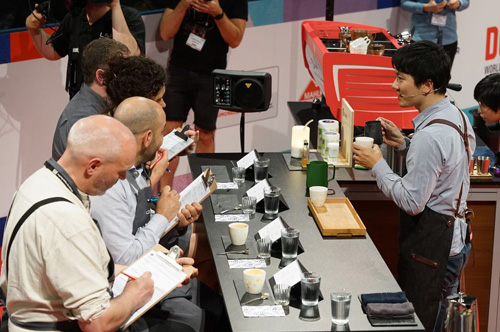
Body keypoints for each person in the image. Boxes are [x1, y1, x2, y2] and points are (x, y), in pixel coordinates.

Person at [0, 115, 196, 331]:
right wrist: (134, 295)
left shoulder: (37, 182)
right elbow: (97, 324)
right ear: (93, 166)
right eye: (120, 171)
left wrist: (155, 268)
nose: (123, 178)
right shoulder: (70, 222)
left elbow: (74, 267)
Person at [352, 40, 475, 332]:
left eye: (401, 78)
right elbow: (448, 169)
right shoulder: (457, 115)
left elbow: (412, 201)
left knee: (422, 323)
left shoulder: (430, 137)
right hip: (454, 240)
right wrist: (405, 145)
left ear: (426, 85)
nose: (394, 86)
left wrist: (377, 164)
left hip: (434, 248)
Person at [91, 97, 223, 332]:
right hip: (127, 290)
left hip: (149, 261)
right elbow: (127, 258)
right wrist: (163, 216)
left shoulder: (135, 166)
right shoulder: (111, 183)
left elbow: (136, 223)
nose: (166, 140)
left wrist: (172, 218)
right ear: (148, 138)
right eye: (163, 132)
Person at [158, 0, 248, 186]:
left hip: (212, 74)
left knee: (205, 134)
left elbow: (236, 39)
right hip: (178, 71)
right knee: (171, 134)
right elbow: (165, 32)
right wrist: (183, 5)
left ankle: (204, 193)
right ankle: (163, 194)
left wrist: (218, 13)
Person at [25, 0, 145, 98]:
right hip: (81, 101)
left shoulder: (128, 16)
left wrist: (115, 5)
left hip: (115, 103)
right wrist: (34, 30)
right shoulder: (74, 18)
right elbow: (53, 52)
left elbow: (131, 56)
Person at [52, 38, 129, 160]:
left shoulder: (101, 107)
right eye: (122, 72)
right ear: (101, 76)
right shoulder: (83, 121)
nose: (128, 78)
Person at [401, 0, 469, 66]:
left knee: (443, 76)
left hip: (448, 38)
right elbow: (404, 3)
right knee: (418, 76)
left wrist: (459, 3)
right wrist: (425, 7)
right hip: (421, 37)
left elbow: (466, 2)